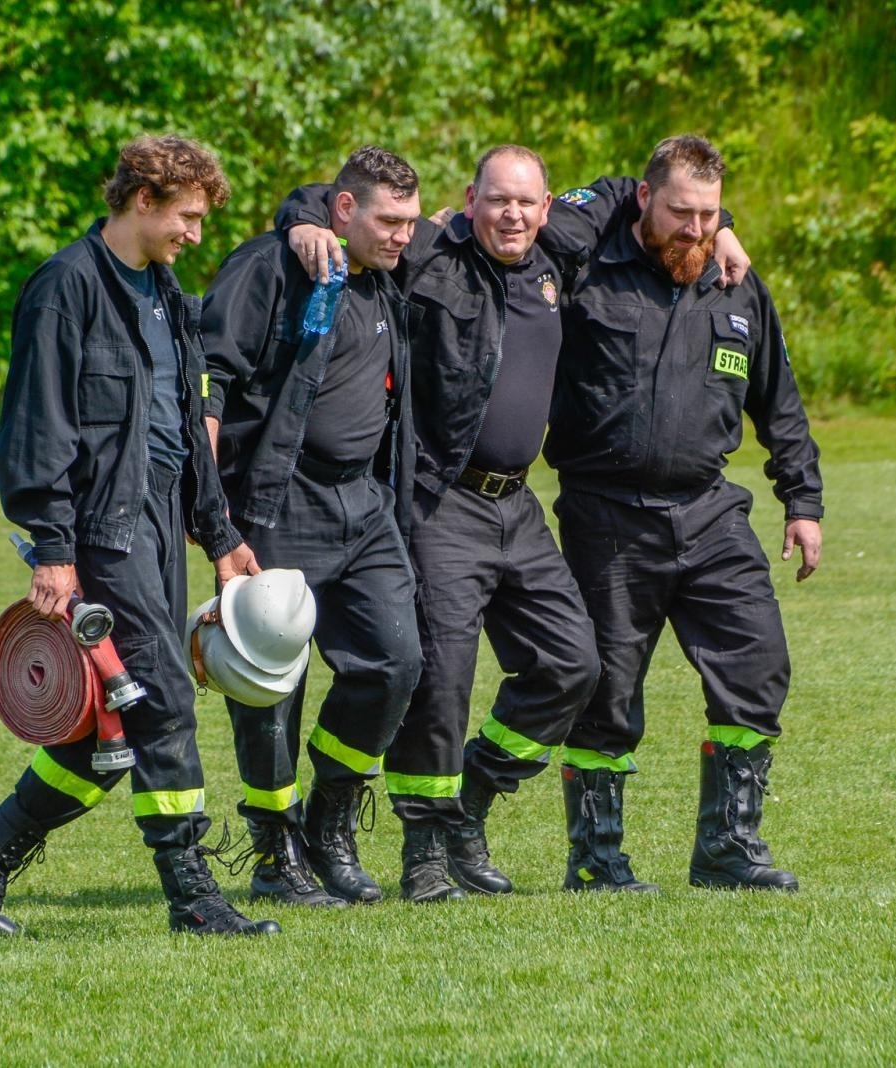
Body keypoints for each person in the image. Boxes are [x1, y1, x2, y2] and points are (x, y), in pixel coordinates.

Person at [277, 147, 753, 901]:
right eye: (497, 201)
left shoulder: (561, 241)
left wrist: (722, 227)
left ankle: (474, 799)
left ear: (547, 205)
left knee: (573, 664)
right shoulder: (431, 253)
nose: (513, 215)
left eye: (527, 203)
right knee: (442, 680)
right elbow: (347, 205)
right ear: (470, 200)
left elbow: (657, 197)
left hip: (519, 505)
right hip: (443, 501)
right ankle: (424, 853)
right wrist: (305, 218)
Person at [0, 135, 279, 937]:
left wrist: (217, 532)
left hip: (157, 519)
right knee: (163, 700)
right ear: (144, 199)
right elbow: (35, 428)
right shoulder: (65, 288)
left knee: (105, 719)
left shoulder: (164, 289)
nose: (196, 234)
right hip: (100, 528)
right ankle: (192, 895)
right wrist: (52, 548)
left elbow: (186, 425)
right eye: (187, 217)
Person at [544, 134, 823, 894]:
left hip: (709, 512)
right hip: (606, 516)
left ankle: (728, 848)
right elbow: (537, 216)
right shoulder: (587, 268)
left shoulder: (737, 284)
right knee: (606, 692)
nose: (695, 230)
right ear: (644, 199)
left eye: (708, 214)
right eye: (680, 213)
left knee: (760, 664)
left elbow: (780, 402)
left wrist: (802, 501)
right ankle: (597, 861)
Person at [200, 146, 424, 907]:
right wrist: (210, 505)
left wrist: (719, 226)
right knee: (272, 689)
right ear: (343, 211)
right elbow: (210, 378)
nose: (403, 237)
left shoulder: (388, 278)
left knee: (396, 663)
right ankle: (275, 856)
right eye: (389, 221)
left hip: (365, 507)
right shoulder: (272, 267)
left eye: (410, 223)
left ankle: (328, 822)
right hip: (277, 501)